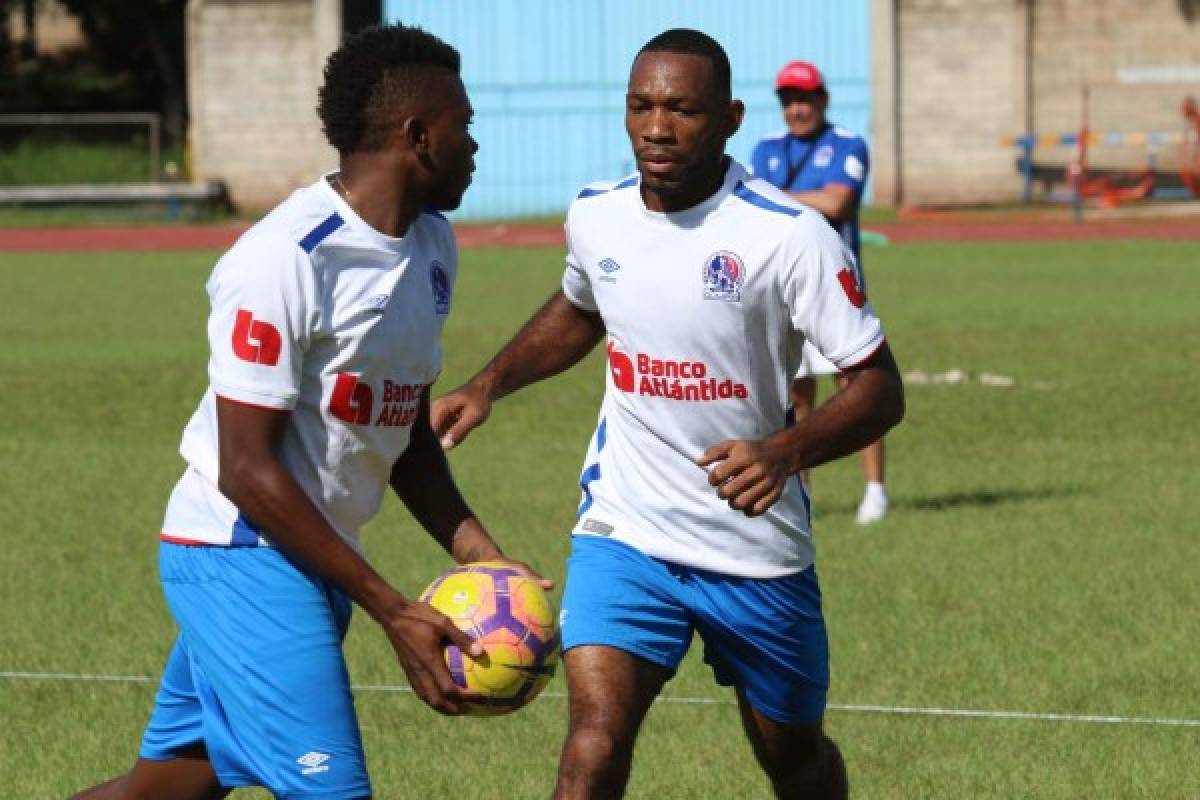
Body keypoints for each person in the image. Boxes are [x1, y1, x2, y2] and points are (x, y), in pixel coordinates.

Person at [73, 24, 547, 800]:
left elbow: (408, 438)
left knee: (163, 790)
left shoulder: (432, 245)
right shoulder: (286, 258)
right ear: (418, 136)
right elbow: (246, 469)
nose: (475, 146)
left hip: (308, 556)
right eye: (465, 126)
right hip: (240, 552)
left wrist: (483, 561)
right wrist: (394, 609)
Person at [433, 29, 904, 800]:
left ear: (729, 118)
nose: (657, 127)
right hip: (627, 531)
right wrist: (489, 382)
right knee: (593, 744)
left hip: (753, 549)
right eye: (642, 107)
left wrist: (785, 450)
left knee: (794, 758)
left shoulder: (789, 237)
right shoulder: (597, 215)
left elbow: (881, 387)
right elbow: (584, 307)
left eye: (682, 110)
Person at [750, 60, 889, 525]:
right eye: (788, 100)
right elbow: (748, 208)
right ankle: (802, 491)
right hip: (784, 291)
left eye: (805, 98)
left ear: (823, 100)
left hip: (839, 289)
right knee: (796, 393)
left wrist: (777, 196)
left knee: (858, 388)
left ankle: (875, 491)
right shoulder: (767, 149)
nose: (797, 108)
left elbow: (837, 202)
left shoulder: (847, 143)